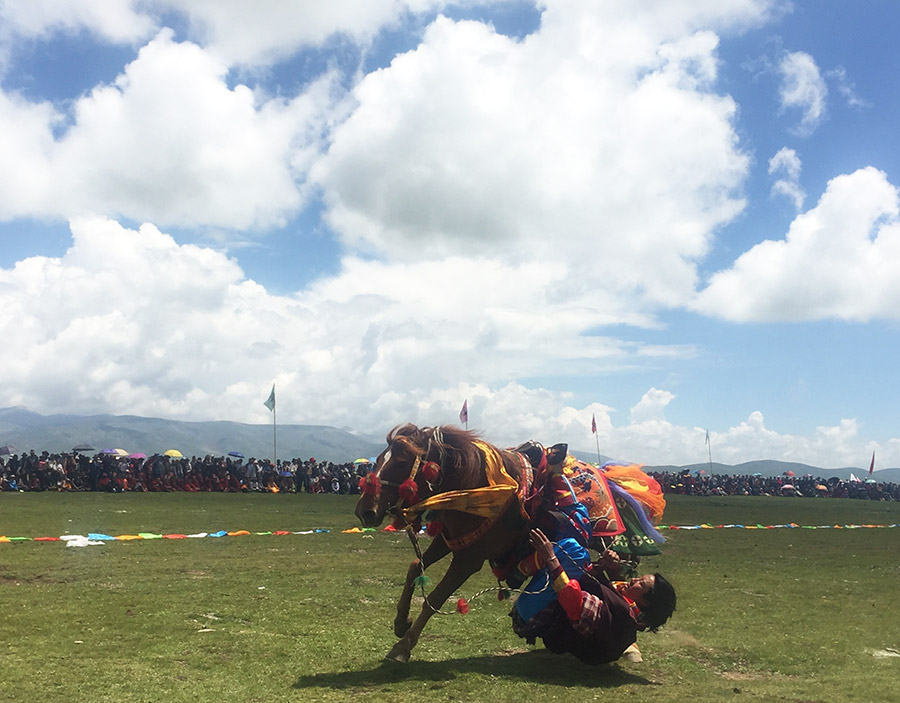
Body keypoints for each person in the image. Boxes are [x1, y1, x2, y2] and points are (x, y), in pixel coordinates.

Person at [510, 528, 676, 665]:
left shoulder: (618, 612)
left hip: (531, 616)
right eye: (640, 577)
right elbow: (592, 586)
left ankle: (515, 573)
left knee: (574, 550)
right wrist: (601, 566)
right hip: (538, 614)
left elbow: (574, 604)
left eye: (640, 583)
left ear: (644, 602)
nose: (634, 579)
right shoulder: (624, 611)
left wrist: (550, 557)